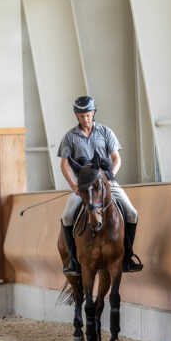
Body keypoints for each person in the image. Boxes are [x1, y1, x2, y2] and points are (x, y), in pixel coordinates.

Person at [59, 96, 144, 275]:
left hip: (106, 183)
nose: (85, 119)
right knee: (67, 216)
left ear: (94, 113)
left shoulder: (105, 132)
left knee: (132, 213)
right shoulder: (70, 137)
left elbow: (116, 158)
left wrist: (111, 175)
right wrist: (74, 185)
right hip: (83, 188)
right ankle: (72, 260)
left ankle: (127, 256)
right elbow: (64, 165)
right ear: (77, 116)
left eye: (88, 115)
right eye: (81, 116)